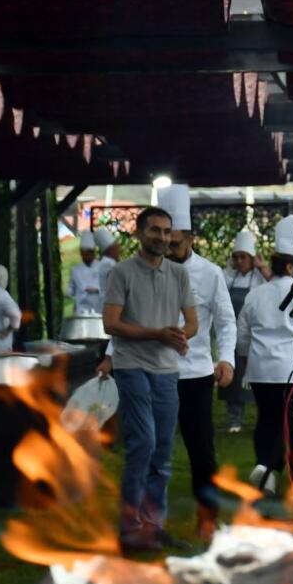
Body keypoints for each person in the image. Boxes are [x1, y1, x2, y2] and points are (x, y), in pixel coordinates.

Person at [99, 187, 237, 539]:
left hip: (195, 374)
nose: (168, 247)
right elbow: (124, 319)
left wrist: (227, 359)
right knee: (148, 445)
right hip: (146, 369)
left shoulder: (208, 274)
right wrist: (110, 356)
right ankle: (140, 522)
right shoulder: (132, 272)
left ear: (189, 238)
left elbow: (225, 321)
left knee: (200, 449)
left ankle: (206, 516)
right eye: (162, 237)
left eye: (174, 241)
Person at [101, 206, 197, 553]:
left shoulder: (179, 274)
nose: (161, 236)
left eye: (166, 231)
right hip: (131, 366)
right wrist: (157, 334)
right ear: (139, 233)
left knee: (162, 452)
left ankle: (153, 527)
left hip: (167, 371)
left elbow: (192, 323)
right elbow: (110, 323)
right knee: (143, 443)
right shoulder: (122, 273)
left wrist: (179, 336)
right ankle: (130, 529)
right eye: (154, 230)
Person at [236, 215, 293, 495]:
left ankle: (265, 470)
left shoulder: (256, 295)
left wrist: (247, 363)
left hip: (261, 370)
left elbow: (243, 335)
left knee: (267, 419)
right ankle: (289, 475)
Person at [219, 229, 269, 433]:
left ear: (251, 258)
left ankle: (263, 417)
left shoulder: (260, 278)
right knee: (233, 379)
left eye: (243, 257)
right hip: (233, 334)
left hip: (253, 335)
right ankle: (234, 419)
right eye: (236, 258)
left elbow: (278, 283)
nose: (240, 261)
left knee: (257, 378)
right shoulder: (227, 276)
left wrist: (262, 266)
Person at [68, 231, 105, 315]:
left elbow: (108, 288)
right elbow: (71, 288)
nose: (85, 257)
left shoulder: (102, 267)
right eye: (83, 255)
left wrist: (97, 289)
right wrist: (68, 293)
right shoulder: (75, 270)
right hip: (81, 309)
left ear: (93, 253)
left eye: (87, 255)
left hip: (99, 309)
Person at [94, 227, 119, 300]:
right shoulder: (108, 264)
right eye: (116, 248)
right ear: (110, 249)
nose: (118, 251)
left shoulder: (105, 262)